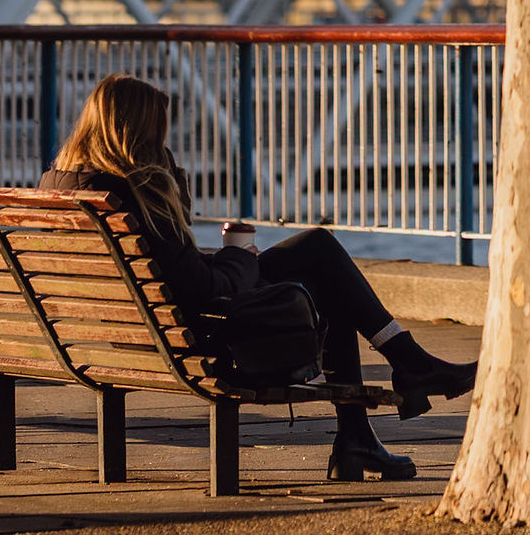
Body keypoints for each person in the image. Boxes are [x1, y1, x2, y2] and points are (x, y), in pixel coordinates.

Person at [42, 74, 474, 481]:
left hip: (121, 333)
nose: (163, 142)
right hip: (203, 334)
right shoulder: (132, 192)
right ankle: (400, 378)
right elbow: (202, 288)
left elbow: (170, 267)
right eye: (158, 132)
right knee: (319, 252)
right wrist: (239, 256)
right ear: (136, 134)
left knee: (320, 265)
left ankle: (371, 420)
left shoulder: (64, 186)